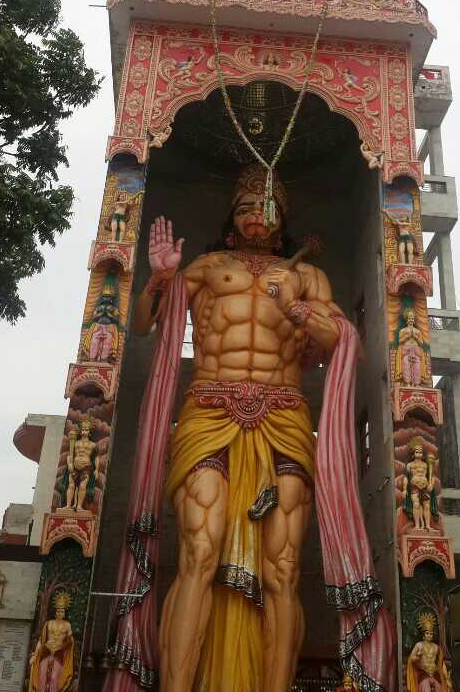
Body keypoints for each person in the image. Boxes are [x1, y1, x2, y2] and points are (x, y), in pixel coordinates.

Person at [134, 165, 343, 692]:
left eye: (266, 209)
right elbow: (144, 322)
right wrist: (159, 279)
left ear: (282, 220)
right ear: (232, 217)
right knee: (199, 553)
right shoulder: (207, 268)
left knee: (283, 570)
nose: (256, 217)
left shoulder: (307, 276)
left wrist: (292, 306)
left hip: (284, 416)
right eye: (247, 207)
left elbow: (337, 340)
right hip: (210, 410)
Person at [29, 591, 74, 692]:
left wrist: (65, 644)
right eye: (58, 611)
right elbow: (41, 641)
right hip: (46, 652)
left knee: (54, 677)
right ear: (55, 612)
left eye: (62, 611)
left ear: (64, 613)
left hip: (58, 654)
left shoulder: (67, 625)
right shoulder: (48, 623)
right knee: (42, 674)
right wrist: (35, 655)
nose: (60, 613)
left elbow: (70, 642)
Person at [58, 415, 98, 513]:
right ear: (80, 431)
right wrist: (70, 464)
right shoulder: (75, 443)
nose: (84, 431)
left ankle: (79, 506)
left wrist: (97, 469)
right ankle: (68, 505)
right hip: (74, 466)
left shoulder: (93, 445)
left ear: (89, 432)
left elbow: (97, 457)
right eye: (83, 429)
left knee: (83, 486)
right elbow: (70, 455)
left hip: (86, 466)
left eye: (86, 430)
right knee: (71, 485)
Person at [407, 612, 452, 691]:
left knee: (440, 688)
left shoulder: (436, 647)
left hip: (435, 674)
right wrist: (418, 656)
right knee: (426, 688)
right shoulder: (419, 645)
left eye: (431, 633)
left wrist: (447, 678)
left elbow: (441, 663)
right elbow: (412, 659)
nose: (429, 635)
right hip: (423, 674)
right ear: (423, 635)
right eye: (427, 633)